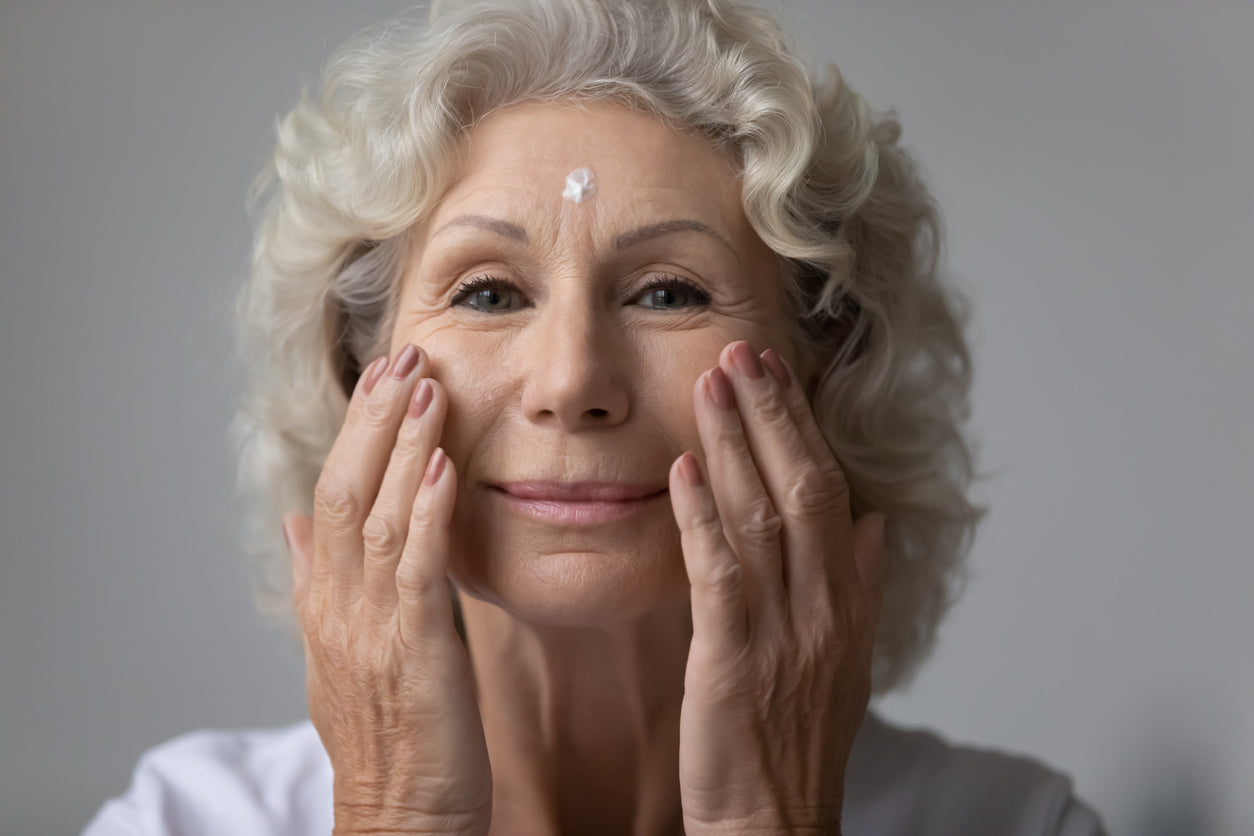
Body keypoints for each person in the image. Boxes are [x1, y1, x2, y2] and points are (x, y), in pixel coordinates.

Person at [85, 0, 1107, 834]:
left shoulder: (1016, 820)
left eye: (668, 292)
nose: (571, 379)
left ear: (825, 373)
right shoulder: (184, 818)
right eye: (488, 292)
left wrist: (777, 821)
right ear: (356, 377)